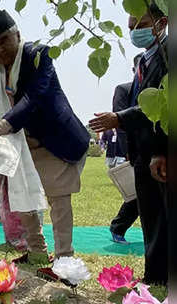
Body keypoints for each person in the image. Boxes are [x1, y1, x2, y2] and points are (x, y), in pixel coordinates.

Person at [0, 9, 90, 278]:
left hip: (53, 140)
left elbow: (34, 99)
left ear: (17, 34)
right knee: (21, 198)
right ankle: (38, 250)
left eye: (4, 41)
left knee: (58, 200)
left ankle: (64, 261)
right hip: (18, 145)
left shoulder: (39, 55)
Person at [89, 3, 167, 285]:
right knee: (150, 217)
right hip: (142, 154)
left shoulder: (169, 56)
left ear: (162, 23)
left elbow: (160, 104)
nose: (134, 31)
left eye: (141, 25)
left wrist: (118, 119)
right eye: (130, 26)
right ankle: (155, 275)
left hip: (161, 155)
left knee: (163, 218)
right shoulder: (143, 60)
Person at [107, 55, 142, 244]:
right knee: (138, 193)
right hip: (136, 148)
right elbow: (119, 123)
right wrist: (126, 150)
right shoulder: (124, 90)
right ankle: (118, 227)